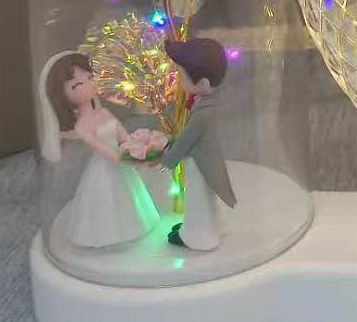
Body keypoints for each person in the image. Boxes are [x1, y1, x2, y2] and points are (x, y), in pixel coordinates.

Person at [41, 52, 162, 248]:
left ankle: (132, 228)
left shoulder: (104, 113)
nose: (89, 84)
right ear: (63, 97)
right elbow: (100, 148)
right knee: (106, 201)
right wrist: (125, 159)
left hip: (121, 160)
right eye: (77, 85)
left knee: (131, 197)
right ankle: (107, 236)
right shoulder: (81, 126)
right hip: (106, 166)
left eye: (89, 77)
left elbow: (122, 134)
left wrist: (137, 147)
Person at [156, 37, 236, 252]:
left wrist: (167, 159)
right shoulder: (206, 103)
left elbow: (187, 140)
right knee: (205, 199)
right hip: (204, 159)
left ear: (203, 84)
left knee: (197, 199)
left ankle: (198, 235)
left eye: (183, 76)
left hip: (200, 162)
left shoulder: (203, 113)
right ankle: (211, 227)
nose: (180, 80)